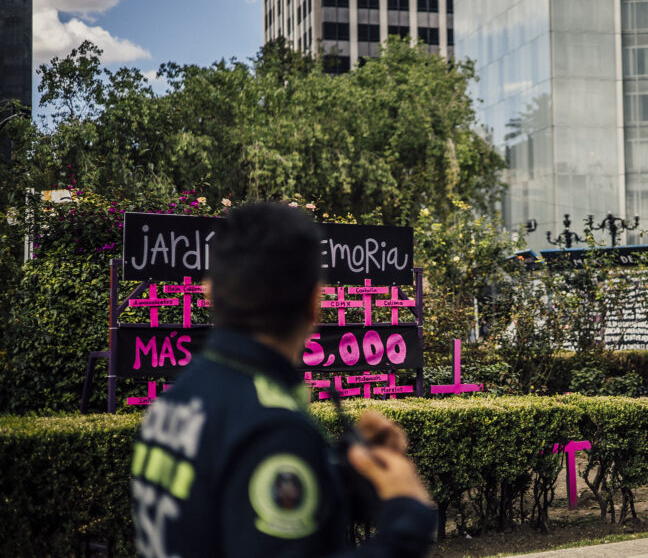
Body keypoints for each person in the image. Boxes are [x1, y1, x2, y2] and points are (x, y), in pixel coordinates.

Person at [130, 202, 435, 557]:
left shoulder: (176, 399)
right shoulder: (272, 428)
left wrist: (338, 471)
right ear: (314, 304)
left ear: (209, 292)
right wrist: (407, 514)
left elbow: (223, 510)